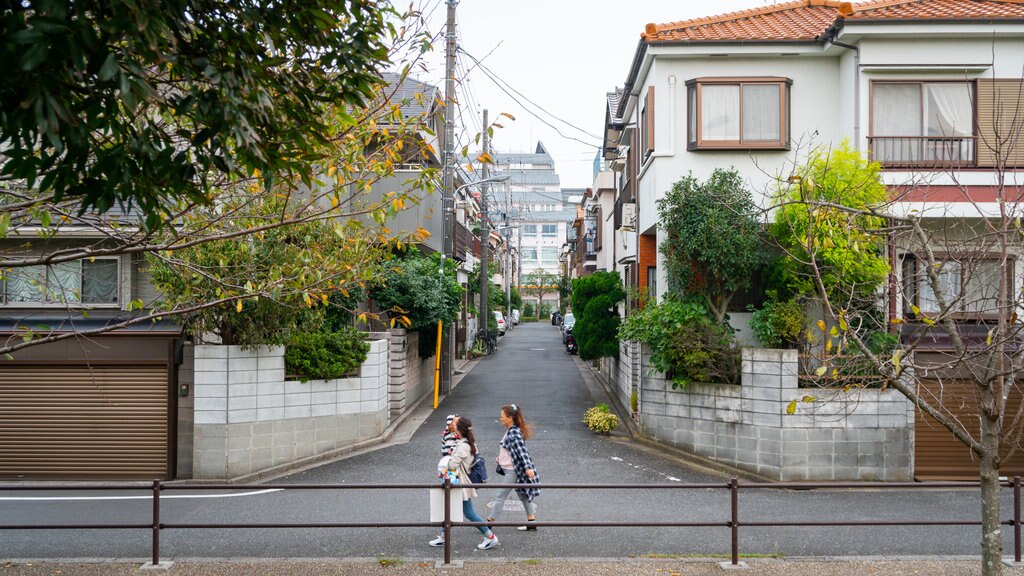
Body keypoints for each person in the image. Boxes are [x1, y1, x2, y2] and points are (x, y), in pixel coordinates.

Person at [429, 417, 499, 550]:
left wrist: (447, 460)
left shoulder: (463, 445)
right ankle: (443, 537)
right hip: (457, 482)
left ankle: (490, 537)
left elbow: (452, 464)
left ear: (460, 429)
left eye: (456, 424)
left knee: (468, 512)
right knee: (448, 508)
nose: (454, 426)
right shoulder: (468, 443)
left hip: (459, 483)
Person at [486, 404, 540, 531]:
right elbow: (511, 450)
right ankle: (532, 522)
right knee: (523, 495)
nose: (500, 419)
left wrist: (528, 467)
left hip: (512, 470)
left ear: (510, 418)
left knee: (500, 495)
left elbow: (522, 451)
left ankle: (488, 524)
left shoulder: (514, 432)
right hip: (510, 467)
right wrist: (501, 458)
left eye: (502, 416)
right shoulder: (510, 430)